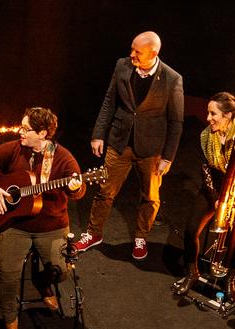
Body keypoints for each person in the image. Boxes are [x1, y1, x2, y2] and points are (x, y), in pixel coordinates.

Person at [0, 107, 85, 329]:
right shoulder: (15, 148)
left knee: (62, 271)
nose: (20, 132)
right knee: (7, 276)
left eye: (26, 129)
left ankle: (41, 282)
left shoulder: (64, 158)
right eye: (21, 127)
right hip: (16, 225)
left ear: (43, 133)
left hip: (51, 224)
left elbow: (78, 190)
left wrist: (76, 188)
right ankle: (11, 321)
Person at [73, 31, 184, 260]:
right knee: (105, 190)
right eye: (132, 49)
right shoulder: (122, 66)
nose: (131, 54)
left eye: (137, 51)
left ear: (153, 53)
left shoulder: (172, 79)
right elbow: (109, 101)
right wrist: (98, 134)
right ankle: (93, 233)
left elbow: (176, 122)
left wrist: (168, 157)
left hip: (151, 149)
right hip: (119, 141)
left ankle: (141, 236)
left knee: (150, 197)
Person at [174, 92, 235, 302]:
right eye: (208, 112)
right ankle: (192, 272)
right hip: (214, 186)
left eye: (213, 114)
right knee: (191, 229)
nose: (208, 118)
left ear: (228, 115)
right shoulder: (206, 136)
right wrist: (215, 198)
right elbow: (205, 170)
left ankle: (230, 278)